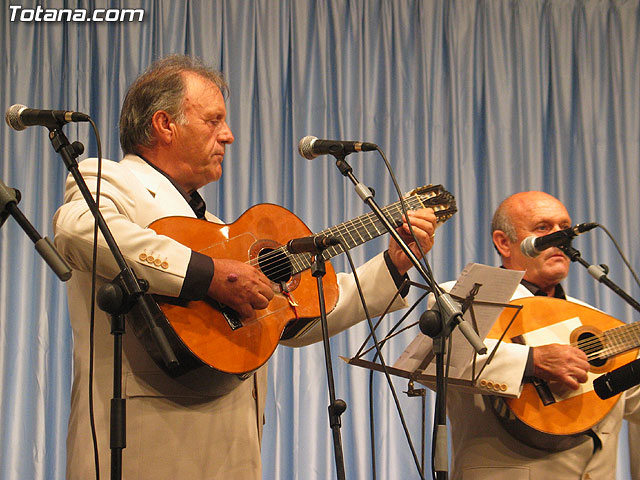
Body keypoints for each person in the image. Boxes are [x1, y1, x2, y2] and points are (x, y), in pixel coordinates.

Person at [53, 55, 438, 479]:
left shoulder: (218, 231)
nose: (229, 135)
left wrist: (393, 266)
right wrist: (209, 276)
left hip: (234, 448)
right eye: (213, 120)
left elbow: (293, 316)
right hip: (147, 442)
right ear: (165, 124)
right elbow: (78, 229)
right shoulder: (109, 179)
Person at [438, 191, 640, 479]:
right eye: (543, 228)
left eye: (565, 228)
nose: (560, 237)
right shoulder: (462, 297)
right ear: (503, 242)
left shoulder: (595, 318)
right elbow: (446, 362)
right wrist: (531, 360)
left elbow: (631, 402)